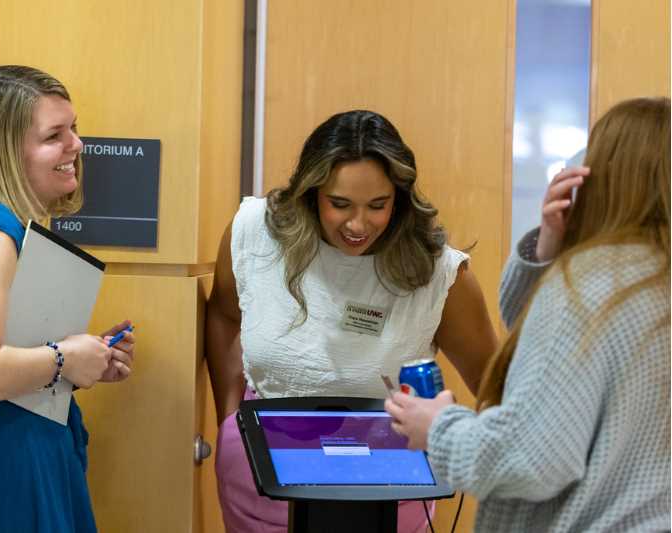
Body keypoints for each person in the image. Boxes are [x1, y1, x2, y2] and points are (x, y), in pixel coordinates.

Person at [385, 97, 670, 532]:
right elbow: (564, 358)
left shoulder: (588, 287)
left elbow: (534, 458)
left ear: (598, 176)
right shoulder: (645, 280)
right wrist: (551, 254)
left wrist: (439, 427)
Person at [206, 110, 498, 532]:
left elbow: (498, 383)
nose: (358, 225)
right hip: (263, 477)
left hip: (388, 488)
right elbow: (223, 314)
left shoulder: (438, 274)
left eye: (377, 206)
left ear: (399, 198)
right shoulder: (255, 232)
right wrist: (230, 419)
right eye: (339, 204)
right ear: (311, 192)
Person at [0, 65, 135, 532]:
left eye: (73, 127)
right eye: (55, 134)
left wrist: (84, 360)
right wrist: (64, 358)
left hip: (9, 448)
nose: (76, 145)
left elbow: (1, 358)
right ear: (5, 152)